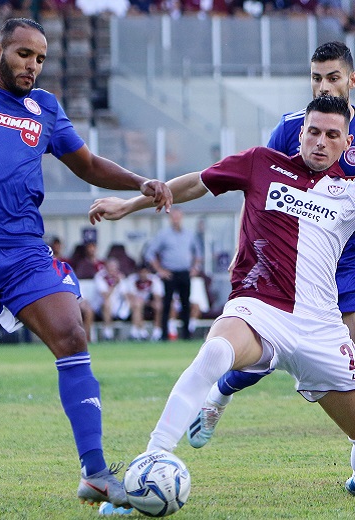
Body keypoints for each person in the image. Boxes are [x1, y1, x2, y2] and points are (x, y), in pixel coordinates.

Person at [89, 95, 355, 497]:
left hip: (320, 327)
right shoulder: (261, 163)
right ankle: (151, 461)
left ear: (346, 143)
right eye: (313, 131)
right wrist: (129, 204)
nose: (320, 141)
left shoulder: (349, 193)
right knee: (215, 352)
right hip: (259, 309)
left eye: (332, 135)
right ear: (301, 132)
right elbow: (196, 182)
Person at [0, 17, 172, 509]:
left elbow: (88, 165)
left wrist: (139, 182)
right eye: (23, 54)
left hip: (22, 251)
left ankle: (95, 473)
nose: (32, 65)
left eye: (40, 58)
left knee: (71, 334)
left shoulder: (45, 109)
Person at [186, 40, 355, 450]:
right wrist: (244, 252)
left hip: (347, 261)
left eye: (333, 77)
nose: (324, 87)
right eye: (316, 78)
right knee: (265, 353)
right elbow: (259, 189)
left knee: (348, 370)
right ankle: (220, 393)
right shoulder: (292, 127)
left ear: (352, 80)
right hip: (291, 259)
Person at [144, 207, 203, 341]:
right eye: (173, 217)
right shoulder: (163, 235)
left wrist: (195, 268)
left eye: (178, 217)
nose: (176, 219)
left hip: (185, 272)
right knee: (167, 304)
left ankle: (186, 335)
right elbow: (150, 253)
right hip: (169, 274)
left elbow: (198, 253)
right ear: (170, 218)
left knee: (185, 304)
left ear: (182, 217)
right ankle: (164, 335)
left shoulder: (189, 234)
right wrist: (160, 270)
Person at [91, 257, 130, 340]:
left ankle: (137, 331)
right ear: (106, 267)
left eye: (114, 268)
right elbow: (105, 296)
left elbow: (126, 294)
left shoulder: (120, 276)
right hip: (100, 306)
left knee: (137, 302)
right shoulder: (100, 276)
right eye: (110, 267)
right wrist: (114, 284)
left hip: (118, 305)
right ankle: (107, 331)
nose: (112, 271)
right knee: (107, 303)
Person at [125, 263, 164, 341]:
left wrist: (150, 302)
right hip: (136, 303)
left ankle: (157, 331)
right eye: (141, 272)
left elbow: (158, 297)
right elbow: (131, 297)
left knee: (158, 305)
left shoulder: (154, 280)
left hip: (149, 302)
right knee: (137, 304)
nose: (143, 274)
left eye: (145, 272)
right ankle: (139, 331)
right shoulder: (132, 279)